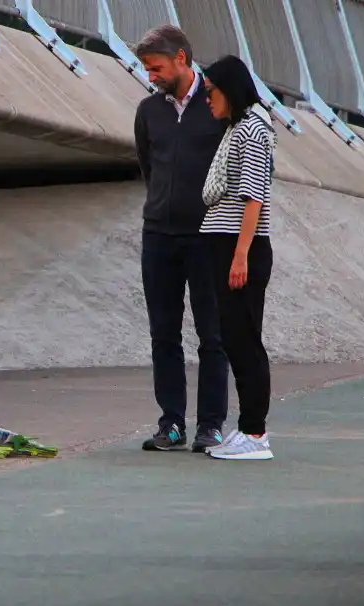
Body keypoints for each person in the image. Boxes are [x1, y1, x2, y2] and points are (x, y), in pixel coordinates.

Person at [133, 25, 230, 453]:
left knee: (213, 334)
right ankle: (171, 423)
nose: (151, 76)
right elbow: (147, 167)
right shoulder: (148, 111)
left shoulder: (218, 105)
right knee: (163, 334)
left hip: (207, 238)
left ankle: (210, 425)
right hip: (158, 236)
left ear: (182, 60)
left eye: (156, 68)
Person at [196, 55, 278, 461]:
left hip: (238, 245)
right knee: (233, 337)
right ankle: (247, 428)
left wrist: (240, 255)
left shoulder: (253, 131)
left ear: (230, 89)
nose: (207, 99)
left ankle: (255, 434)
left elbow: (252, 197)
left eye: (211, 92)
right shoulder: (237, 130)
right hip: (226, 244)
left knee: (245, 340)